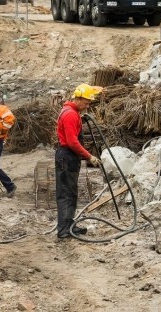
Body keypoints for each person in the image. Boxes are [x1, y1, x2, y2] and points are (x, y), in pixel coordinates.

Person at [55, 84, 103, 239]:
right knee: (65, 193)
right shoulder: (70, 115)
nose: (87, 106)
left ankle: (69, 226)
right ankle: (63, 230)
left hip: (69, 157)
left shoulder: (73, 112)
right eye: (86, 102)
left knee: (71, 192)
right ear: (78, 98)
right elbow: (72, 142)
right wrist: (89, 156)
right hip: (66, 156)